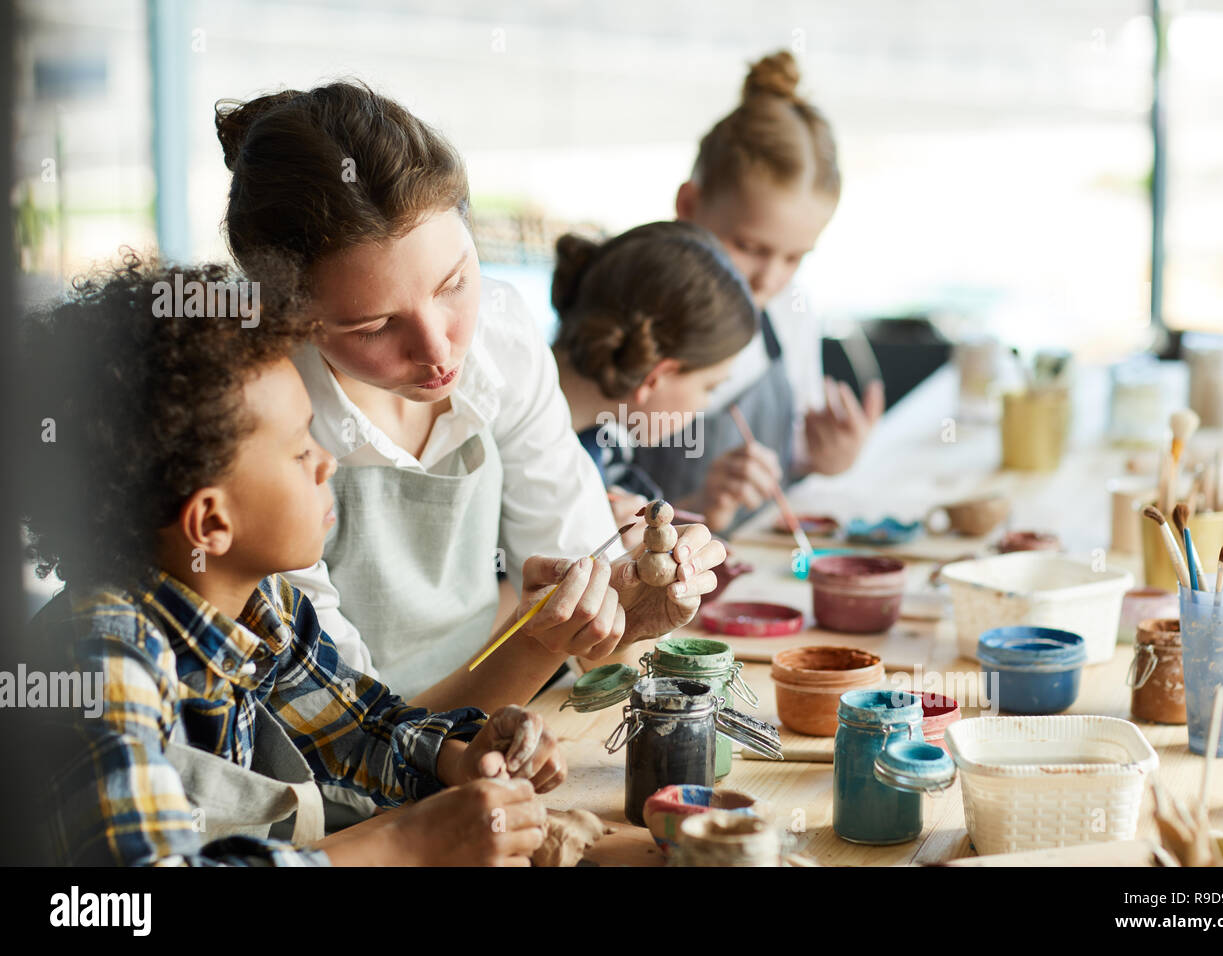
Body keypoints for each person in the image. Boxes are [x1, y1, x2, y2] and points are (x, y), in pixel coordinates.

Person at [20, 257, 563, 865]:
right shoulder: (103, 663)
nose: (326, 462)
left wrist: (460, 757)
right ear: (211, 523)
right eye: (301, 449)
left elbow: (355, 731)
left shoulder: (259, 603)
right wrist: (404, 844)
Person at [214, 82, 725, 725]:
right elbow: (349, 739)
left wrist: (629, 609)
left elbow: (585, 585)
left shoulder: (503, 338)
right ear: (289, 318)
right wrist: (541, 640)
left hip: (496, 715)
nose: (439, 350)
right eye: (373, 327)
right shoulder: (259, 423)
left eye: (455, 283)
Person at [633, 50, 886, 534]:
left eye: (795, 258)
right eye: (748, 247)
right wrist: (700, 504)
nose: (769, 279)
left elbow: (788, 457)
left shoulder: (789, 312)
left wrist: (821, 457)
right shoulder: (629, 323)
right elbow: (586, 519)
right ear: (688, 205)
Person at [551, 221, 757, 544]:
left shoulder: (604, 443)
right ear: (656, 376)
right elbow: (469, 594)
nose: (705, 406)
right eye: (709, 388)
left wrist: (701, 507)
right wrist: (596, 552)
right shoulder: (511, 441)